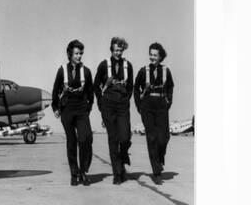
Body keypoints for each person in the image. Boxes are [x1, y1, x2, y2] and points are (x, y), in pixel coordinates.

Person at [52, 40, 94, 186]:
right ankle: (74, 174)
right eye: (76, 53)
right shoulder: (62, 70)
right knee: (72, 142)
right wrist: (55, 108)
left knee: (85, 139)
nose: (79, 56)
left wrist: (88, 109)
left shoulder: (86, 71)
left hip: (82, 108)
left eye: (81, 53)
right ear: (70, 54)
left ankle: (83, 171)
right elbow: (56, 89)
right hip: (67, 108)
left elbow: (90, 92)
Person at [94, 37, 134, 185]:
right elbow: (95, 85)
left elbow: (131, 86)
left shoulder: (127, 65)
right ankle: (117, 173)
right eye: (116, 50)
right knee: (113, 139)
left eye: (120, 50)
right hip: (108, 104)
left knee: (124, 137)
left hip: (122, 104)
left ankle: (123, 156)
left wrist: (126, 99)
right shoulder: (104, 65)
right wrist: (101, 103)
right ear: (111, 49)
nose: (118, 52)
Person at [134, 42, 174, 185]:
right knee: (151, 138)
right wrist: (139, 106)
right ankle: (156, 172)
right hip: (148, 107)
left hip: (161, 106)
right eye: (150, 54)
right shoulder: (143, 71)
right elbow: (136, 88)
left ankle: (160, 158)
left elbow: (170, 87)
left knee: (164, 138)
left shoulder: (166, 71)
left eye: (155, 55)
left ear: (160, 56)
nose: (152, 57)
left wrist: (168, 103)